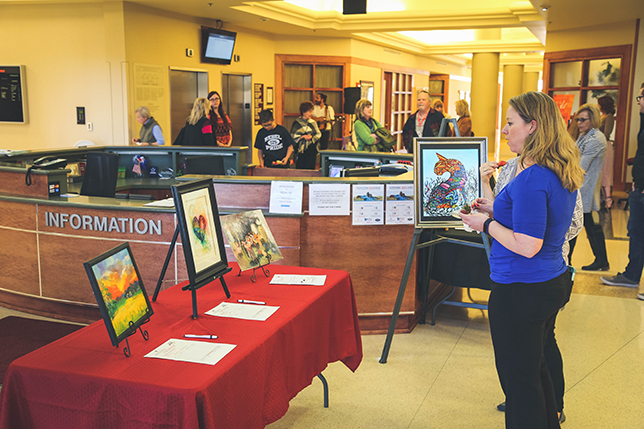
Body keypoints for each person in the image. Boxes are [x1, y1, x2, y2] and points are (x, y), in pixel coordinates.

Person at [461, 91, 583, 428]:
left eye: (511, 123)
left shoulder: (532, 178)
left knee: (519, 383)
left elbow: (527, 244)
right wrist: (494, 208)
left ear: (532, 126)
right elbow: (532, 217)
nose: (504, 129)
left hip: (522, 289)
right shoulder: (557, 168)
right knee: (534, 369)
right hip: (546, 282)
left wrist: (485, 224)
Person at [602, 83, 644, 290]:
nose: (638, 102)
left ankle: (631, 275)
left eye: (640, 97)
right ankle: (631, 275)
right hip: (639, 188)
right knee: (636, 233)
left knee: (637, 233)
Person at [568, 103, 609, 271]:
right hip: (581, 188)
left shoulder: (595, 139)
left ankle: (567, 261)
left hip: (585, 189)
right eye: (578, 120)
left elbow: (580, 165)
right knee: (586, 225)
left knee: (577, 224)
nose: (579, 123)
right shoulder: (585, 136)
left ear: (593, 120)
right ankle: (601, 260)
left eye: (583, 120)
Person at [290, 101, 321, 169]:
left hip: (311, 149)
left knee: (311, 169)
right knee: (300, 169)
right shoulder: (297, 123)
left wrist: (312, 138)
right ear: (303, 112)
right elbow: (293, 136)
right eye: (309, 112)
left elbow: (318, 134)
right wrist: (302, 137)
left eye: (312, 112)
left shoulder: (313, 122)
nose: (311, 114)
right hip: (300, 151)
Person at [598, 95, 616, 208]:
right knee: (600, 171)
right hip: (600, 146)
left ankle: (608, 198)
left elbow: (607, 133)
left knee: (606, 171)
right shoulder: (602, 116)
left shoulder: (609, 117)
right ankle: (601, 197)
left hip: (605, 146)